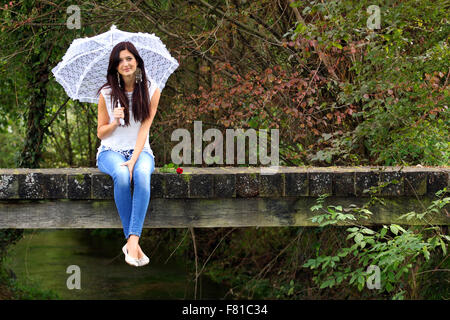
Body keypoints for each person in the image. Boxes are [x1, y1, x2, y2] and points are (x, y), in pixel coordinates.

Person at [96, 41, 161, 267]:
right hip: (110, 151)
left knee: (142, 175)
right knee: (122, 176)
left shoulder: (152, 90)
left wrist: (134, 159)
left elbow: (145, 127)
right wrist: (114, 122)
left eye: (129, 59)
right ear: (115, 66)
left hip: (141, 151)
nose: (125, 64)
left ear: (137, 62)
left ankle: (132, 241)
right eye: (120, 60)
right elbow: (101, 133)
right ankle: (133, 244)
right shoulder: (106, 93)